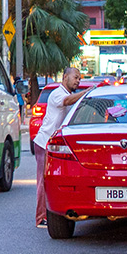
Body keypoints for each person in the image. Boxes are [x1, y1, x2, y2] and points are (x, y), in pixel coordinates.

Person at [34, 66, 87, 228]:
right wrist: (87, 92)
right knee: (43, 182)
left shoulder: (68, 94)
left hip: (54, 146)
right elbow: (68, 102)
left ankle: (52, 213)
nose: (78, 81)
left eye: (79, 79)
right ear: (65, 77)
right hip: (44, 143)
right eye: (75, 77)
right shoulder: (58, 94)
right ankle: (40, 217)